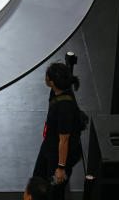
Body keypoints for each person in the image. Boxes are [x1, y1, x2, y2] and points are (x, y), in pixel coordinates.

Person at [32, 62, 83, 200]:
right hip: (49, 146)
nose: (45, 77)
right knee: (37, 180)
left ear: (53, 82)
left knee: (54, 190)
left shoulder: (65, 108)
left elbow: (64, 140)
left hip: (58, 158)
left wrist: (61, 168)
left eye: (47, 75)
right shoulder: (56, 92)